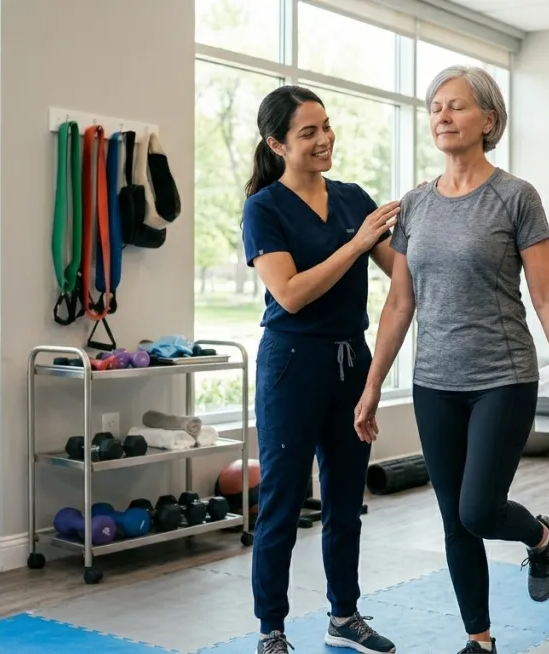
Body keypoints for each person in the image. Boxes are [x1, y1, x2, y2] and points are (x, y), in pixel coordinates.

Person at [353, 65, 549, 654]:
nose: (442, 116)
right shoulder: (414, 205)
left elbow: (546, 294)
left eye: (456, 106)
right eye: (435, 107)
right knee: (454, 519)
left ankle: (538, 536)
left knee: (480, 509)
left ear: (488, 119)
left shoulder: (515, 197)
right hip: (435, 382)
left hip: (502, 377)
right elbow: (399, 303)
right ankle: (479, 641)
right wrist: (372, 386)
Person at [241, 84, 400, 654]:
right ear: (277, 143)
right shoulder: (264, 209)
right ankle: (272, 629)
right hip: (292, 363)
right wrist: (356, 245)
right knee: (283, 502)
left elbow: (402, 273)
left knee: (346, 500)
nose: (324, 139)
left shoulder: (354, 197)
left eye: (326, 126)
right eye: (308, 132)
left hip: (350, 361)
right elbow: (289, 294)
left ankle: (344, 615)